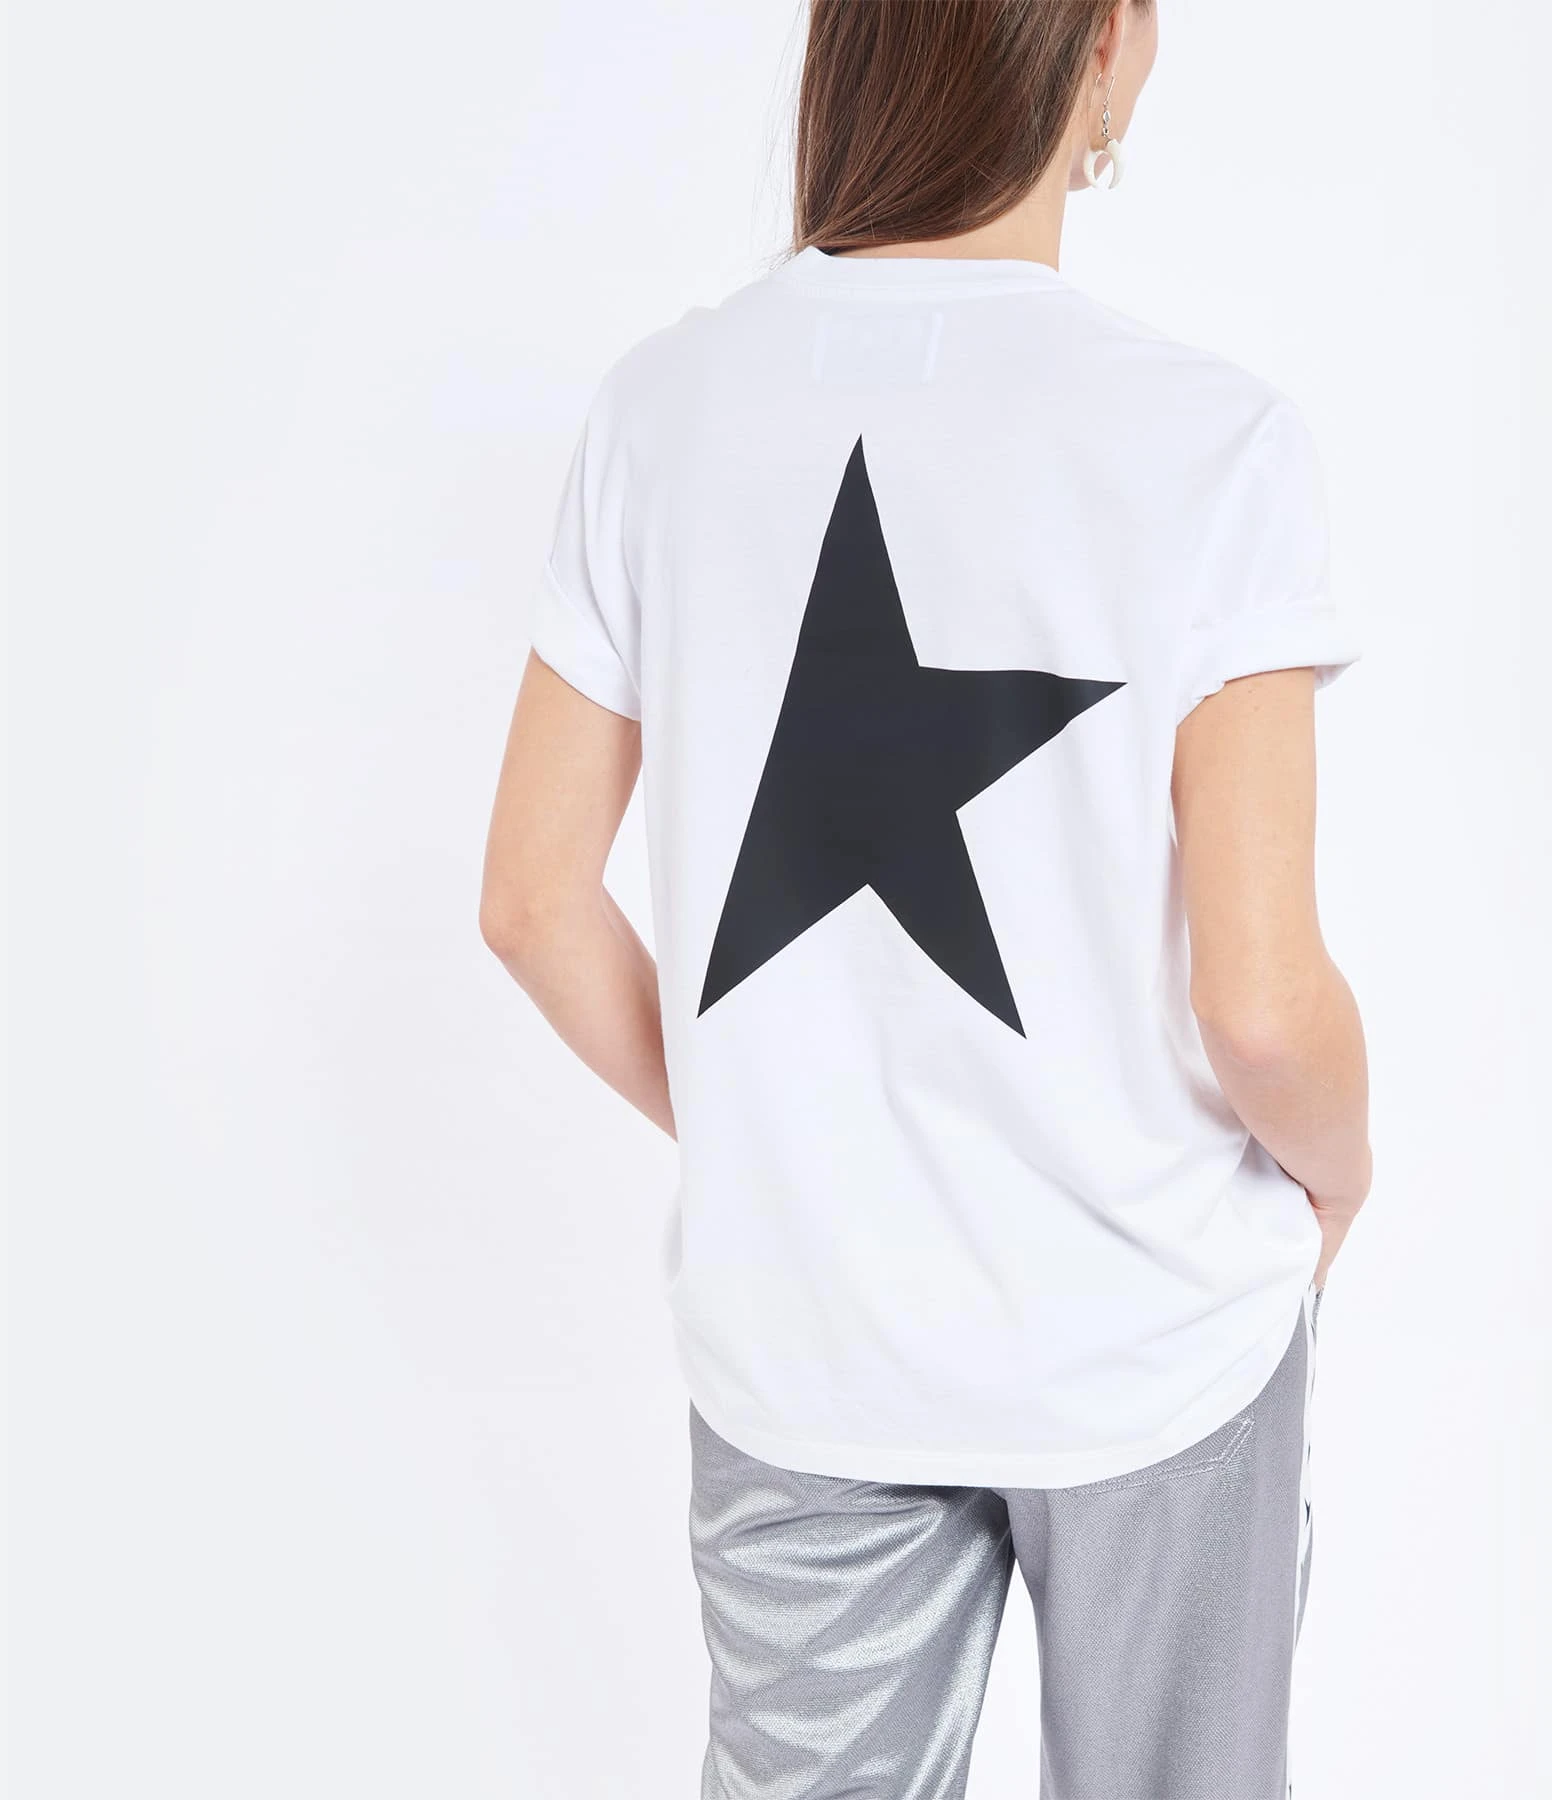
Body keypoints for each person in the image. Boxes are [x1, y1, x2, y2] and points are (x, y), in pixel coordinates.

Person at [480, 1, 1372, 1793]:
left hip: (803, 1334)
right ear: (1103, 45)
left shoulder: (665, 408)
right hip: (1152, 1336)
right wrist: (1338, 1179)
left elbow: (531, 900)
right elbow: (1264, 1006)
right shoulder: (1214, 441)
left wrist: (772, 1131)